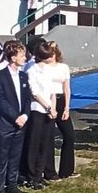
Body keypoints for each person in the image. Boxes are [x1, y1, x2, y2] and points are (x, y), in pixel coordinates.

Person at [25, 41, 75, 185]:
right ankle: (33, 175)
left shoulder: (48, 70)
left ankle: (41, 174)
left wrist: (53, 108)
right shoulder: (32, 69)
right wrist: (48, 107)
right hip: (38, 108)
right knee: (35, 143)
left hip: (50, 106)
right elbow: (35, 92)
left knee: (46, 141)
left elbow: (52, 91)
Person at [0, 41, 32, 193]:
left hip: (20, 124)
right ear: (13, 57)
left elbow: (27, 98)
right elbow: (0, 101)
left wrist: (25, 115)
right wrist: (15, 117)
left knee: (15, 155)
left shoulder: (23, 76)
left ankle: (12, 184)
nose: (25, 58)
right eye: (22, 55)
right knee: (2, 157)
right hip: (5, 124)